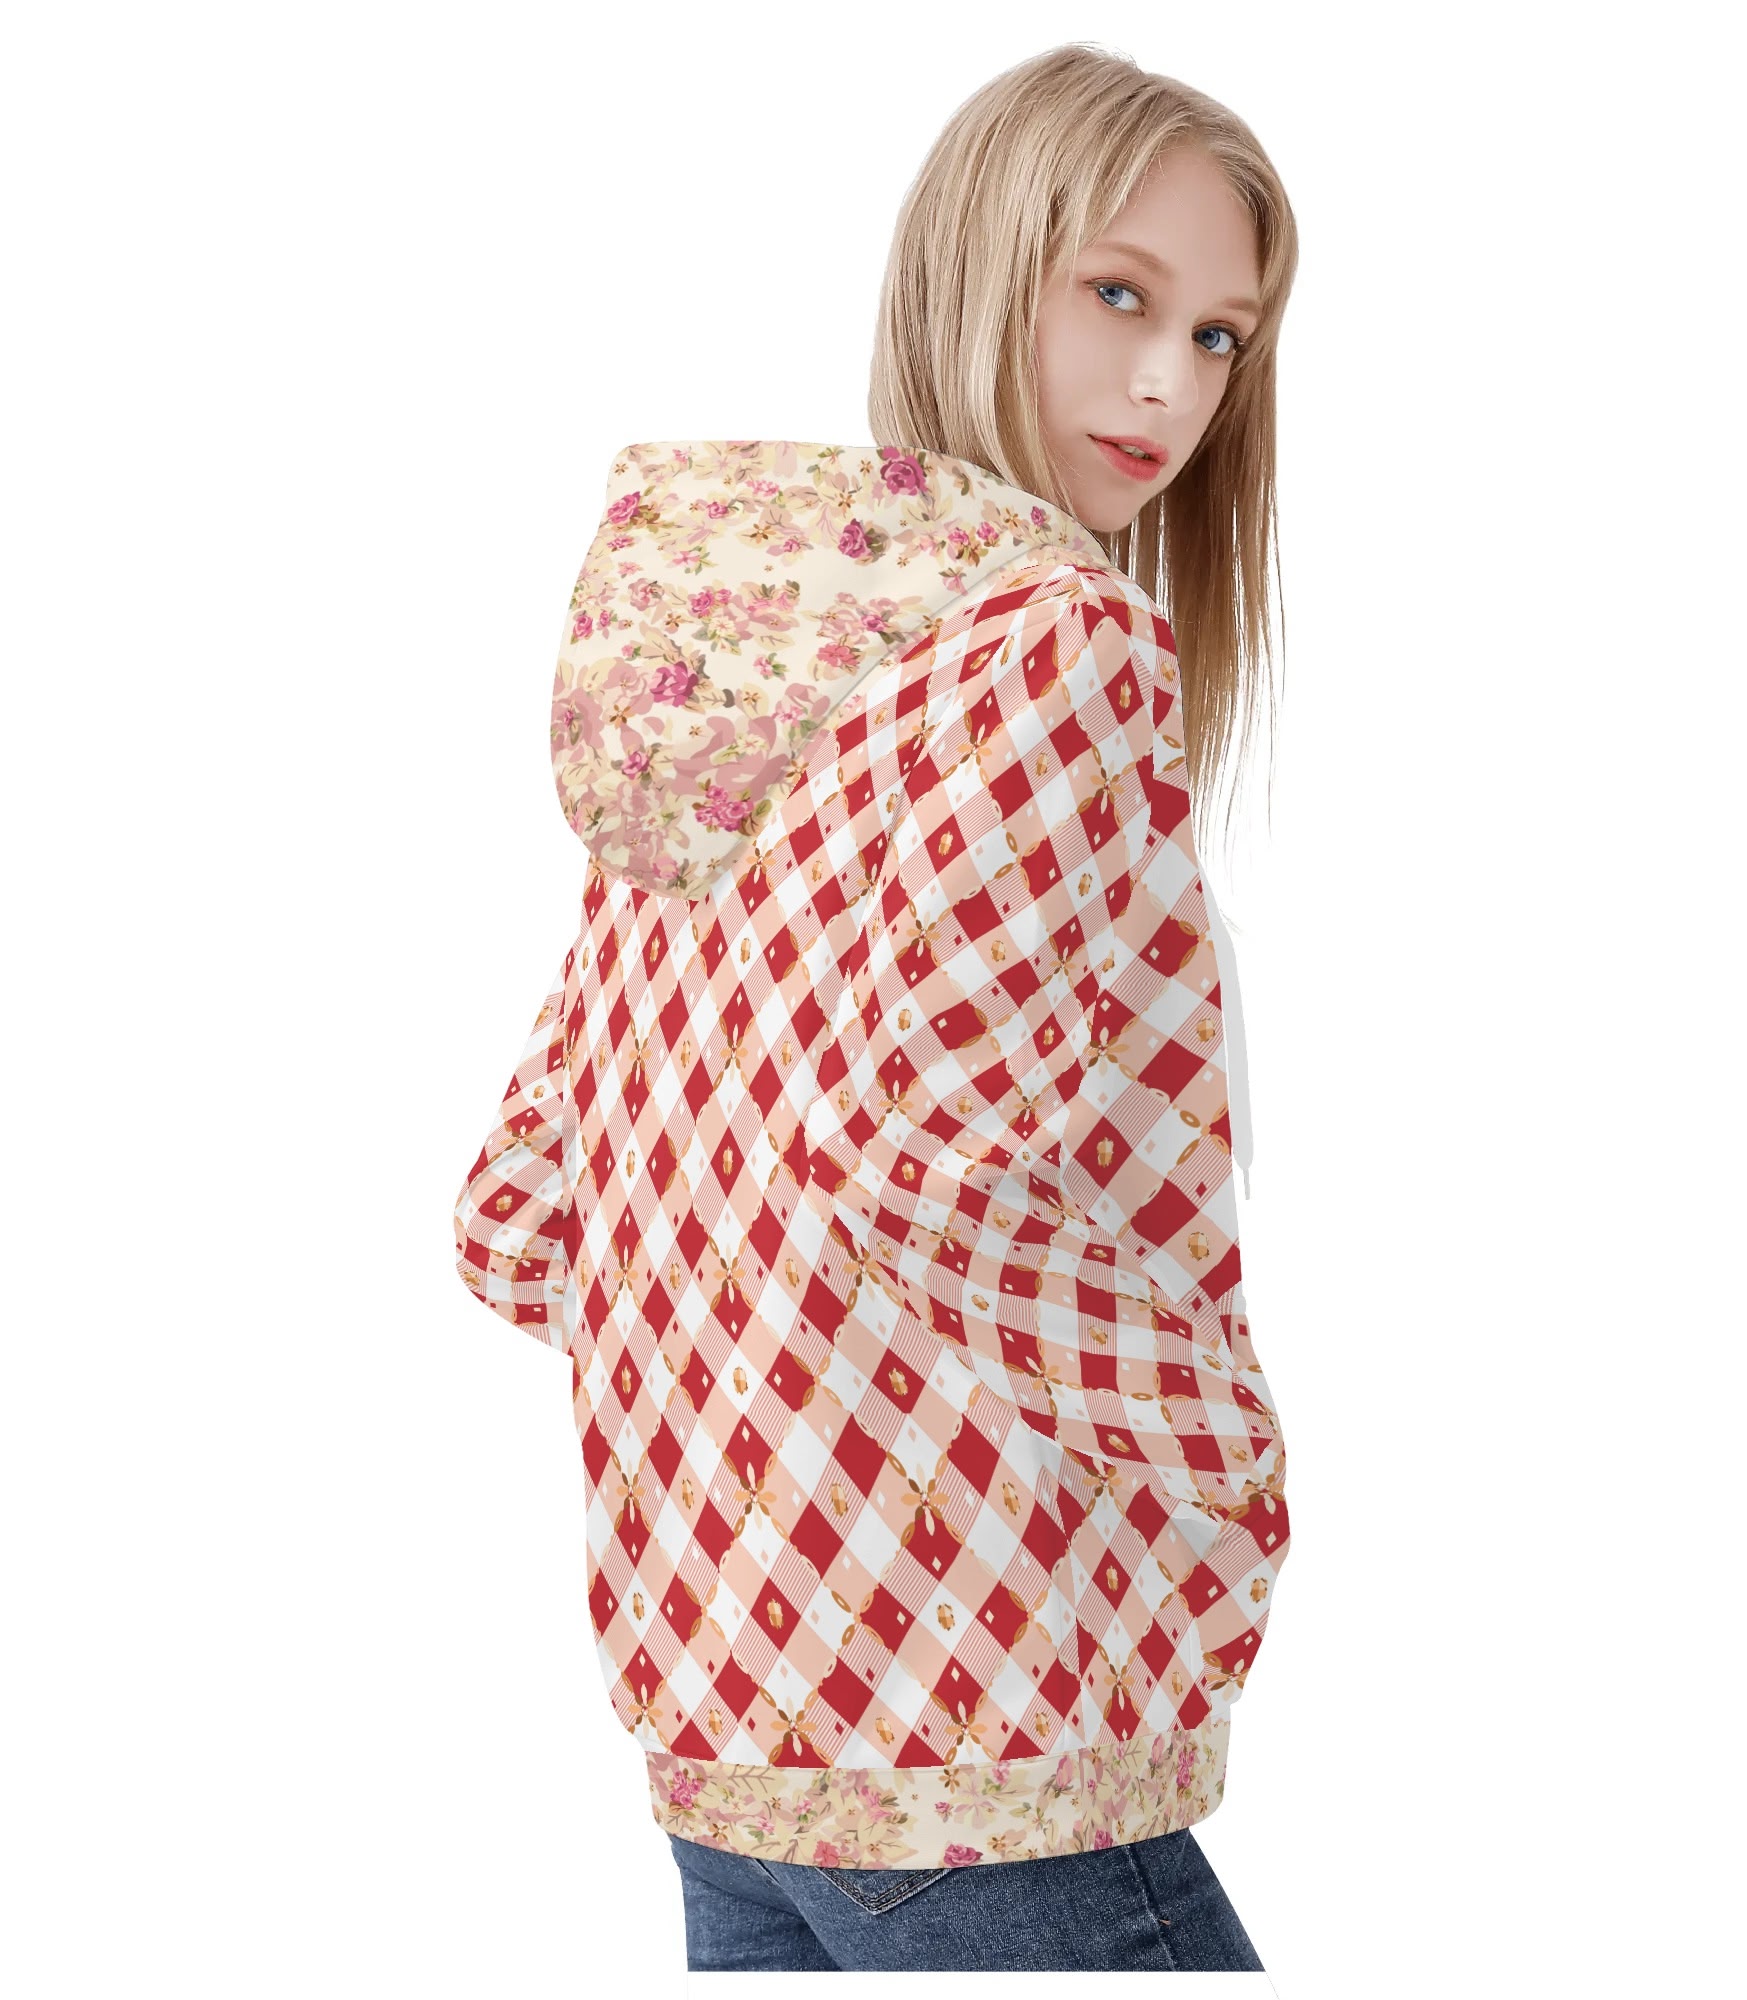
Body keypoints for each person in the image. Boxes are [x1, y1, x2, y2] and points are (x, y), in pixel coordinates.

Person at [451, 40, 1298, 1977]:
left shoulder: (729, 652)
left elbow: (519, 1208)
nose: (1170, 387)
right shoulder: (1061, 642)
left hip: (720, 1731)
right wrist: (1219, 1462)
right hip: (983, 1721)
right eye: (1119, 295)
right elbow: (928, 1170)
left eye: (1220, 337)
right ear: (975, 266)